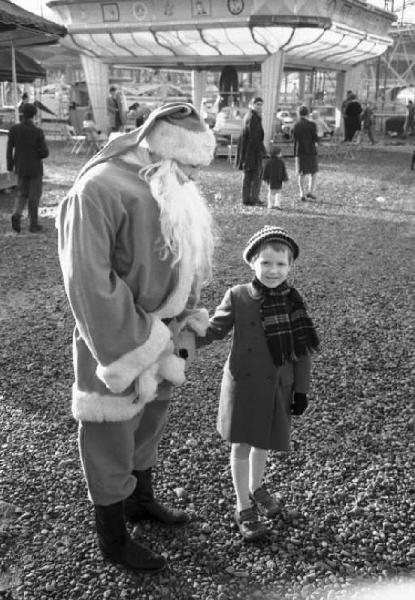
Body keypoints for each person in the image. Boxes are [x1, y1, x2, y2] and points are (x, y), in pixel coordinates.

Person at [56, 102, 216, 575]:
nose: (194, 177)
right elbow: (88, 282)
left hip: (162, 333)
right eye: (188, 165)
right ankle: (112, 539)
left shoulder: (169, 182)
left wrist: (183, 323)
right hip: (115, 339)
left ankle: (140, 501)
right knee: (110, 430)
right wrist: (141, 341)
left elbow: (183, 256)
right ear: (164, 151)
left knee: (149, 421)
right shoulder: (99, 188)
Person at [196, 225, 319, 542]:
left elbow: (302, 350)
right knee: (241, 445)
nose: (273, 270)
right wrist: (184, 338)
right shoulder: (237, 296)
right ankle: (243, 505)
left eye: (281, 264)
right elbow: (213, 330)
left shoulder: (294, 301)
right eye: (265, 263)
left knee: (263, 442)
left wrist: (301, 390)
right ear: (252, 263)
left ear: (290, 266)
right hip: (244, 386)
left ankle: (256, 485)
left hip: (278, 385)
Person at [7, 103, 49, 233]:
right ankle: (33, 225)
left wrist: (10, 167)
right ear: (34, 115)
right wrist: (38, 151)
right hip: (35, 168)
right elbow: (45, 153)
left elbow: (9, 150)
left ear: (22, 114)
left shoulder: (14, 129)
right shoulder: (38, 131)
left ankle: (17, 214)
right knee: (34, 196)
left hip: (20, 167)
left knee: (22, 194)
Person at [236, 97, 266, 206]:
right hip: (252, 151)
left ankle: (247, 199)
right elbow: (254, 137)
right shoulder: (253, 118)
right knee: (256, 175)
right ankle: (253, 198)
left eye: (261, 104)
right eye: (257, 104)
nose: (259, 106)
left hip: (247, 151)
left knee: (248, 176)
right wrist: (261, 150)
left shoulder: (249, 116)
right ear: (252, 105)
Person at [292, 105, 319, 202]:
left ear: (298, 113)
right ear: (308, 113)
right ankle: (311, 191)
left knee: (301, 173)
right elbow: (316, 138)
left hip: (300, 151)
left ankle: (301, 193)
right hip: (311, 151)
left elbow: (293, 138)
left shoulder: (296, 125)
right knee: (313, 172)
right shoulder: (312, 125)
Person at [262, 145, 288, 210]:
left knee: (270, 192)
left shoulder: (268, 162)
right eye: (280, 153)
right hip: (278, 180)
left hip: (270, 180)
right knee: (278, 193)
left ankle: (270, 204)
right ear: (278, 154)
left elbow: (265, 171)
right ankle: (277, 204)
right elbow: (283, 171)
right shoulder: (281, 162)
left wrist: (264, 178)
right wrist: (285, 178)